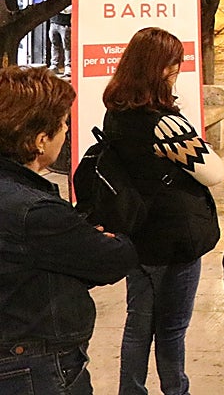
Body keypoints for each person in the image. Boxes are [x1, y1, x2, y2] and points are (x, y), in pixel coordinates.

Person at [0, 66, 137, 395]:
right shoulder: (35, 212)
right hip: (36, 366)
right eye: (62, 125)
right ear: (39, 140)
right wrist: (104, 238)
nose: (65, 132)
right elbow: (112, 259)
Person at [102, 27, 223, 395]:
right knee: (171, 328)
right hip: (174, 241)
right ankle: (176, 390)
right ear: (159, 69)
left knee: (137, 324)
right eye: (174, 64)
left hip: (137, 235)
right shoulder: (165, 124)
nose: (178, 71)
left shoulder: (116, 114)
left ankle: (131, 390)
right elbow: (214, 172)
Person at [48, 0, 71, 78]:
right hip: (54, 22)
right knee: (55, 44)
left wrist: (60, 10)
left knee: (67, 45)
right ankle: (54, 64)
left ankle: (68, 66)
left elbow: (69, 9)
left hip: (64, 23)